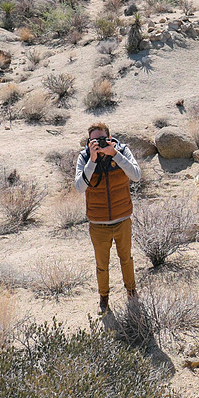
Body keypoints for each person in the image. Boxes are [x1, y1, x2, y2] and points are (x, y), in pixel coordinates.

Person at [74, 121, 141, 312]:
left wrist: (115, 155)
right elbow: (79, 187)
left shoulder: (122, 151)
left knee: (126, 258)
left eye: (102, 139)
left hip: (122, 218)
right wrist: (92, 161)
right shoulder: (85, 157)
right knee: (101, 264)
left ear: (110, 138)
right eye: (94, 140)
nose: (98, 143)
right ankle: (104, 297)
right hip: (98, 222)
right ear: (88, 142)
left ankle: (131, 291)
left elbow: (136, 175)